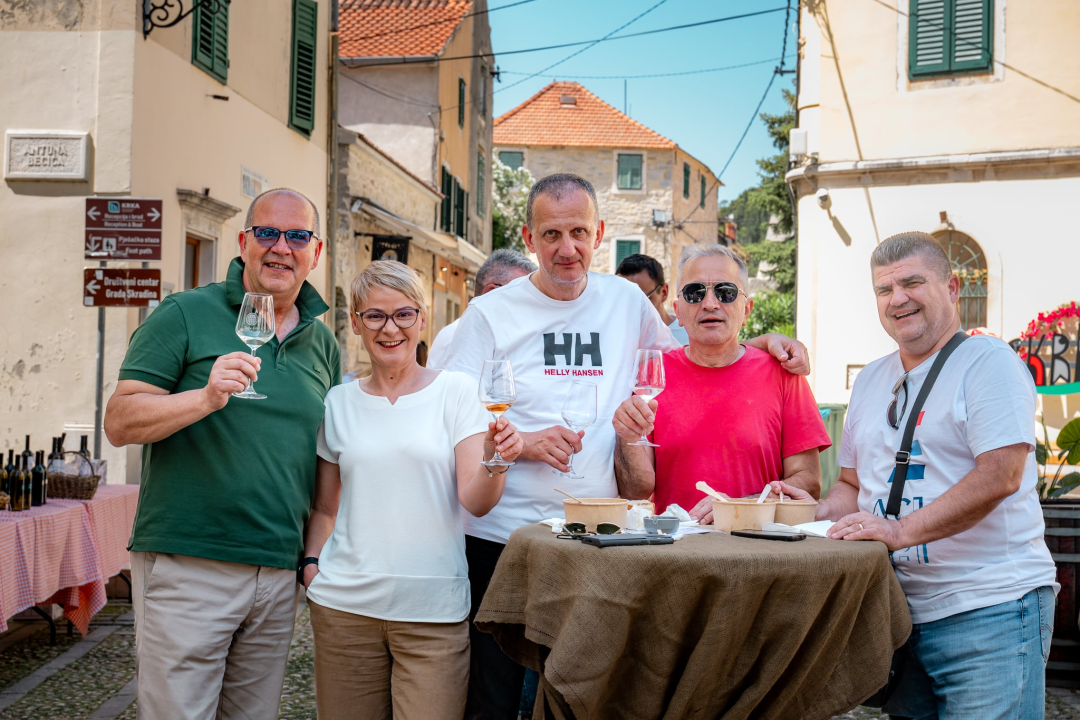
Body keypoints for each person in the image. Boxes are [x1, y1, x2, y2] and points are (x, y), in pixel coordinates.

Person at [442, 172, 810, 719]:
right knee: (494, 700)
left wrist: (759, 342)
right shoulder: (490, 315)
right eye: (551, 235)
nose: (567, 249)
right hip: (504, 537)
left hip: (597, 536)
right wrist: (523, 445)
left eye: (579, 233)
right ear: (528, 236)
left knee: (579, 694)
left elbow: (682, 357)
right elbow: (455, 420)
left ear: (600, 232)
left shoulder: (626, 302)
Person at [775, 232, 1058, 720]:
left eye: (912, 282)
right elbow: (851, 487)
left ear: (950, 288)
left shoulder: (989, 363)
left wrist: (897, 532)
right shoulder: (869, 380)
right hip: (900, 614)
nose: (897, 298)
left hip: (990, 608)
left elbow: (1002, 475)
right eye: (884, 290)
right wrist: (799, 513)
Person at [103, 188, 340, 719]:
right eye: (268, 233)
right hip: (191, 561)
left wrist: (311, 558)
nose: (282, 247)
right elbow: (119, 422)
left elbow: (328, 454)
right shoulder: (185, 313)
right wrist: (206, 398)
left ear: (316, 252)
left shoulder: (322, 343)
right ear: (243, 242)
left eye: (298, 236)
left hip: (277, 570)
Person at [301, 260, 523, 720]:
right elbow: (325, 508)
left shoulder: (457, 392)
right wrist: (311, 569)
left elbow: (477, 501)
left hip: (433, 614)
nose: (390, 328)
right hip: (344, 609)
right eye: (375, 315)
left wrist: (497, 459)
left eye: (404, 314)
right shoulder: (338, 402)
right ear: (356, 322)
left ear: (423, 319)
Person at [613, 243, 830, 522]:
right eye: (695, 293)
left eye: (726, 292)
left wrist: (738, 508)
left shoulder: (784, 375)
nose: (710, 303)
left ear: (746, 309)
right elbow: (635, 492)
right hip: (676, 553)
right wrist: (625, 436)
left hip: (759, 551)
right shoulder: (653, 377)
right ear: (678, 310)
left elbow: (808, 483)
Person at [427, 249, 537, 369]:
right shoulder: (460, 335)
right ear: (491, 294)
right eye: (523, 296)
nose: (530, 305)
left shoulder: (496, 335)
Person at [616, 252, 689, 345]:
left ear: (664, 292)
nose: (631, 308)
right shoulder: (615, 335)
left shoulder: (689, 336)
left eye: (643, 300)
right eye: (623, 300)